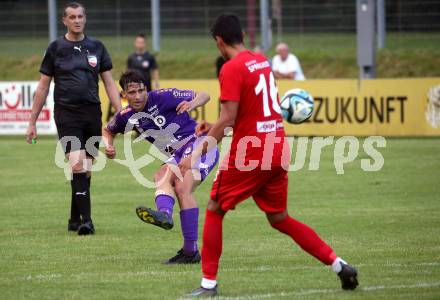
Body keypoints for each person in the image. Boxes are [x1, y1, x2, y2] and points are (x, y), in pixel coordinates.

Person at [179, 15, 358, 297]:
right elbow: (244, 111)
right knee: (279, 217)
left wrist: (197, 152)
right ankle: (339, 265)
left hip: (251, 151)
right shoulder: (261, 60)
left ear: (219, 41)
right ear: (242, 36)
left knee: (215, 209)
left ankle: (208, 285)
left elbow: (228, 118)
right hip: (277, 147)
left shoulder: (230, 67)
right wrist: (212, 126)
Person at [102, 70, 219, 264]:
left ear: (146, 89)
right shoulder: (126, 116)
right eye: (132, 93)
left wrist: (192, 103)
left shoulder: (163, 96)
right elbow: (107, 130)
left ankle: (190, 251)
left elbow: (204, 95)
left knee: (182, 187)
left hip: (200, 144)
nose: (138, 96)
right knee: (162, 174)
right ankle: (166, 217)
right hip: (177, 154)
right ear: (124, 95)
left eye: (141, 90)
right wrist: (108, 146)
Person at [25, 2, 121, 235]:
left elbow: (109, 82)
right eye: (72, 17)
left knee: (86, 168)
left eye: (80, 16)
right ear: (64, 21)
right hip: (67, 113)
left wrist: (121, 112)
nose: (77, 20)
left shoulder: (97, 46)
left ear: (85, 19)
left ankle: (73, 217)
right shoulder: (56, 48)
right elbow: (42, 87)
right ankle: (87, 221)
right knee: (77, 163)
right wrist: (32, 122)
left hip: (92, 112)